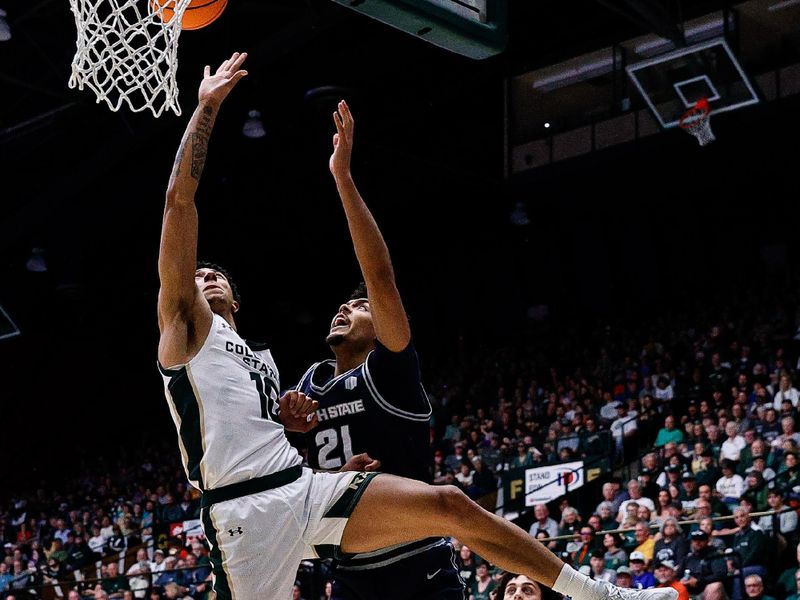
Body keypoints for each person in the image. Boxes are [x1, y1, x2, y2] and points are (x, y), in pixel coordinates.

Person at [155, 50, 681, 600]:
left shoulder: (266, 357)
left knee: (449, 502)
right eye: (197, 273)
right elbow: (178, 202)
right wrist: (207, 109)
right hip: (246, 511)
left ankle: (599, 594)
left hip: (310, 493)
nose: (206, 275)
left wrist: (298, 431)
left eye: (217, 273)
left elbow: (266, 421)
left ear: (237, 294)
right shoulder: (185, 329)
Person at [290, 97, 464, 598]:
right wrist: (287, 429)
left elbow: (380, 278)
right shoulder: (309, 385)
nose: (345, 309)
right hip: (347, 575)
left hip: (416, 566)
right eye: (344, 306)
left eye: (359, 307)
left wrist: (343, 178)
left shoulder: (389, 372)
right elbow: (279, 475)